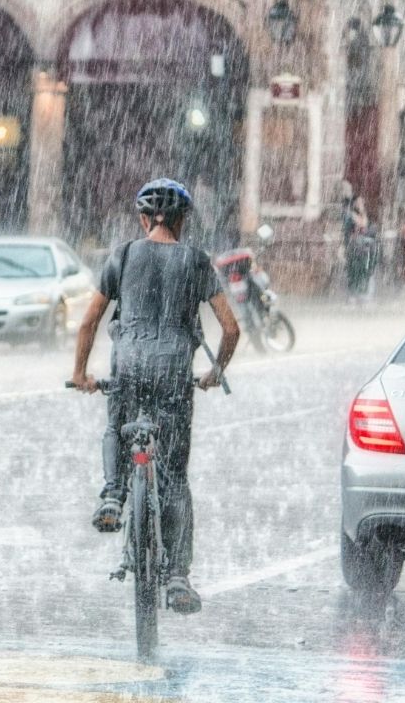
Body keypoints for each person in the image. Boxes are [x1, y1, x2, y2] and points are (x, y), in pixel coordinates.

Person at [71, 178, 240, 615]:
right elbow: (231, 328)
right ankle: (179, 577)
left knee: (116, 424)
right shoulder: (197, 262)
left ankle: (112, 494)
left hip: (128, 366)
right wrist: (214, 371)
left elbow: (89, 323)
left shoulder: (123, 255)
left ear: (143, 219)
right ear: (182, 221)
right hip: (173, 374)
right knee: (174, 478)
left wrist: (80, 373)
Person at [345, 196, 376, 303]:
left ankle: (362, 292)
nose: (360, 204)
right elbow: (352, 230)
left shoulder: (363, 215)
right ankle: (353, 293)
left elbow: (368, 227)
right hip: (354, 248)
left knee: (364, 269)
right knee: (354, 270)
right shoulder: (350, 215)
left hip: (364, 249)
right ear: (354, 204)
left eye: (362, 202)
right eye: (358, 202)